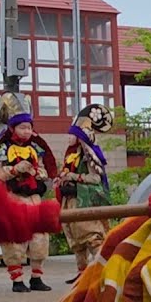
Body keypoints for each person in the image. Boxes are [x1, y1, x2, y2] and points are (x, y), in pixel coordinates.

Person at [0, 93, 56, 293]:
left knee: (40, 238)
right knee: (14, 239)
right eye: (23, 127)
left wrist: (39, 173)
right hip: (13, 198)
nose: (27, 131)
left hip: (34, 198)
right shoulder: (3, 148)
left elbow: (44, 169)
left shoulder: (35, 148)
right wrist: (14, 170)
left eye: (29, 127)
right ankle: (17, 279)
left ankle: (37, 277)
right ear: (12, 128)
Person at [57, 104, 113, 285]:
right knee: (76, 241)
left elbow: (95, 178)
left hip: (85, 201)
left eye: (72, 134)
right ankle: (81, 272)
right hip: (70, 201)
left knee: (92, 236)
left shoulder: (89, 156)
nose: (69, 137)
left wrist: (74, 177)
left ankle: (102, 269)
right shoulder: (70, 155)